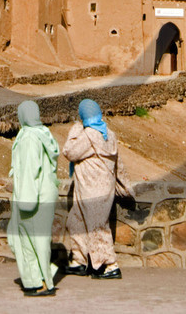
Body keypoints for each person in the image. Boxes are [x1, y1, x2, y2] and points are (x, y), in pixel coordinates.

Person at [62, 98, 134, 280]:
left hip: (92, 189)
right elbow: (118, 163)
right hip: (97, 188)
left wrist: (75, 131)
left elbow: (70, 152)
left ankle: (110, 265)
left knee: (97, 227)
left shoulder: (89, 135)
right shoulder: (108, 133)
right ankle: (79, 261)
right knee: (75, 221)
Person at [7, 100, 60, 297]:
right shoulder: (42, 133)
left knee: (27, 239)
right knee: (36, 239)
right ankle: (42, 278)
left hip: (33, 194)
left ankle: (39, 282)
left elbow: (30, 170)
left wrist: (26, 201)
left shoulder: (29, 137)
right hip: (45, 191)